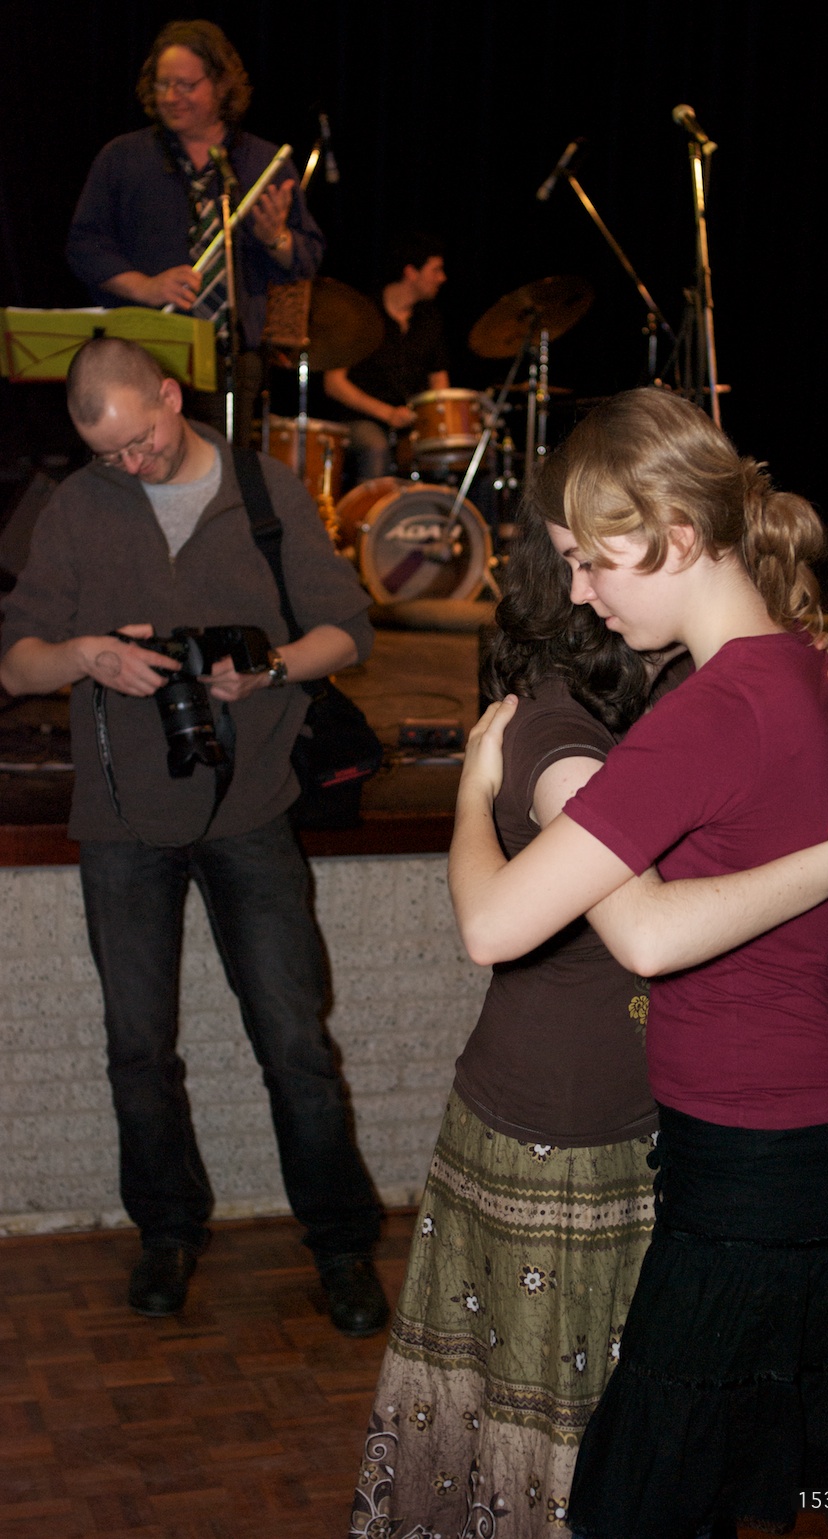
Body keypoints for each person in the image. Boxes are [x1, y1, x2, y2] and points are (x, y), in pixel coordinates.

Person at [448, 390, 828, 1539]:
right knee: (721, 1493)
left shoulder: (713, 713)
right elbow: (664, 914)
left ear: (673, 536)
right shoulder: (802, 667)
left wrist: (475, 792)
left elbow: (500, 928)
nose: (579, 591)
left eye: (590, 561)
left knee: (640, 1507)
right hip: (811, 1136)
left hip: (763, 1156)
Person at [350, 469, 828, 1539]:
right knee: (564, 1432)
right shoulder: (565, 740)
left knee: (619, 1427)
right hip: (561, 1127)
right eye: (579, 566)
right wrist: (469, 799)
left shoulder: (690, 700)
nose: (594, 586)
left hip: (633, 1121)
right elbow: (580, 928)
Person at [0, 337, 388, 1337]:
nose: (130, 463)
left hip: (252, 807)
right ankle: (167, 1233)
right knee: (138, 1048)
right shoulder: (78, 505)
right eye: (108, 453)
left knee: (294, 1042)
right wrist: (86, 656)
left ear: (171, 396)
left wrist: (272, 669)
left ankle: (342, 1246)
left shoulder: (262, 490)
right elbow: (16, 662)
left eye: (141, 440)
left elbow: (349, 630)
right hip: (121, 819)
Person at [67, 19, 324, 447]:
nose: (171, 97)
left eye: (185, 85)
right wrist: (146, 286)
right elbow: (84, 245)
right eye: (163, 84)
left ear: (221, 85)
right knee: (138, 466)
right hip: (143, 354)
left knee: (220, 473)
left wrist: (276, 239)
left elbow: (307, 256)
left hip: (229, 360)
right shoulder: (123, 158)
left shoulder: (264, 163)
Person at [320, 233, 450, 482]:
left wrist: (436, 421)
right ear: (411, 272)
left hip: (410, 422)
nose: (442, 278)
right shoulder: (363, 313)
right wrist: (387, 413)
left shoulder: (430, 320)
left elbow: (439, 382)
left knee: (460, 453)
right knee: (376, 445)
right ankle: (374, 508)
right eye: (435, 270)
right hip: (361, 419)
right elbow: (334, 383)